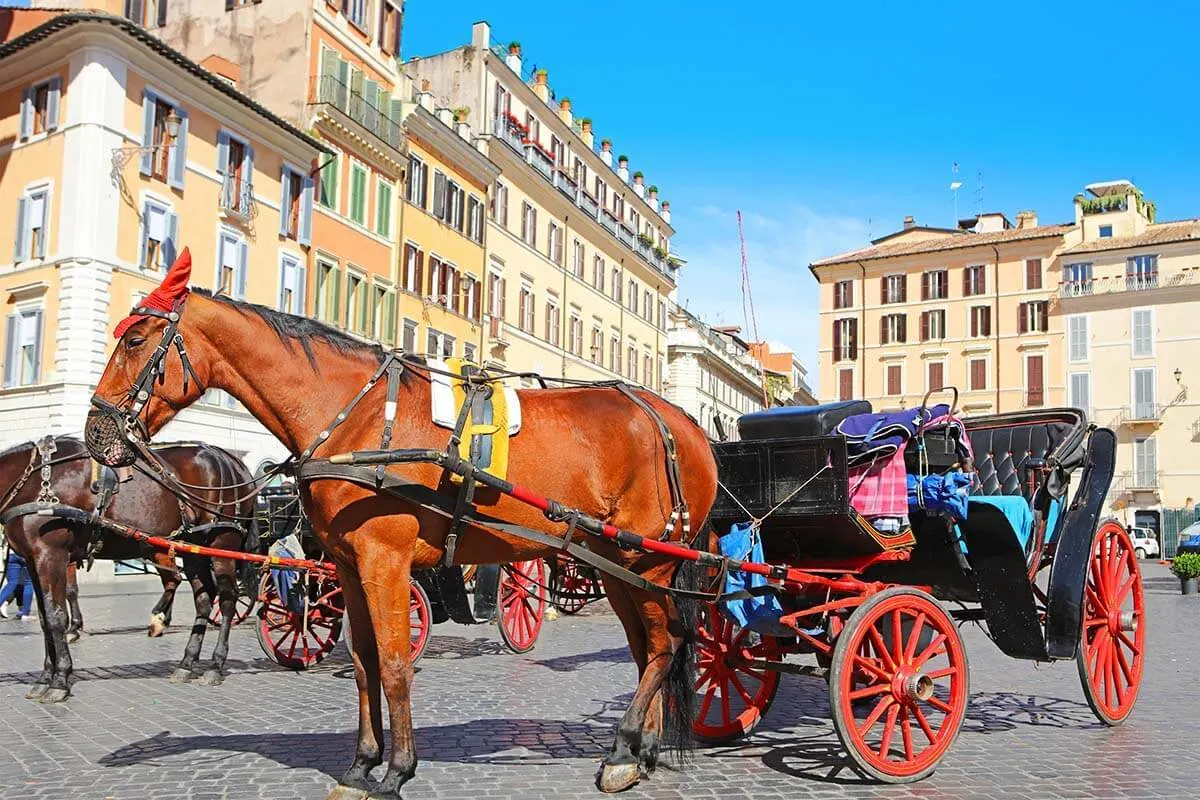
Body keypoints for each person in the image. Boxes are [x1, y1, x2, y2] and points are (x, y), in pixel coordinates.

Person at [0, 548, 35, 620]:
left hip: (11, 554)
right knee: (28, 583)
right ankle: (25, 614)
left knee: (11, 583)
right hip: (26, 554)